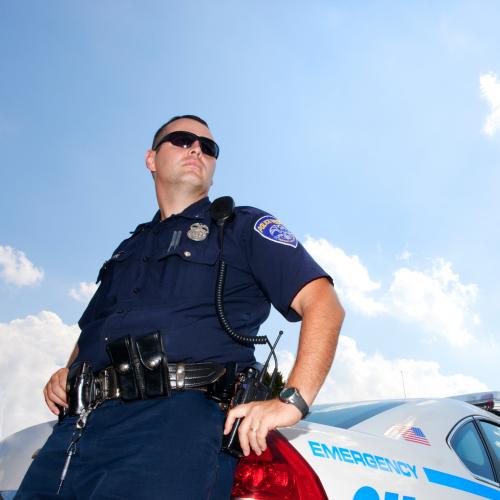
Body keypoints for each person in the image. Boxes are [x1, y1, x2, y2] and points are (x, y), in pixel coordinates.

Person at [16, 115, 345, 499]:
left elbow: (323, 303)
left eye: (208, 147)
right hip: (75, 432)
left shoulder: (241, 226)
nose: (197, 149)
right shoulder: (129, 249)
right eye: (183, 140)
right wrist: (67, 371)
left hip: (172, 426)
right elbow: (94, 327)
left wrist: (292, 400)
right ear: (151, 159)